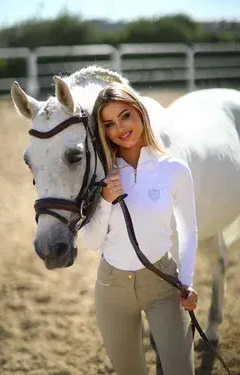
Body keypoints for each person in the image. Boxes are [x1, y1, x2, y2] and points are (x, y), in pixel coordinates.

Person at [79, 82, 198, 375]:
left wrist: (187, 280)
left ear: (139, 112)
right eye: (109, 123)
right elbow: (92, 242)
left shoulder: (175, 170)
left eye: (125, 116)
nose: (119, 128)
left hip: (163, 286)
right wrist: (105, 200)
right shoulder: (100, 177)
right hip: (111, 290)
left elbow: (188, 230)